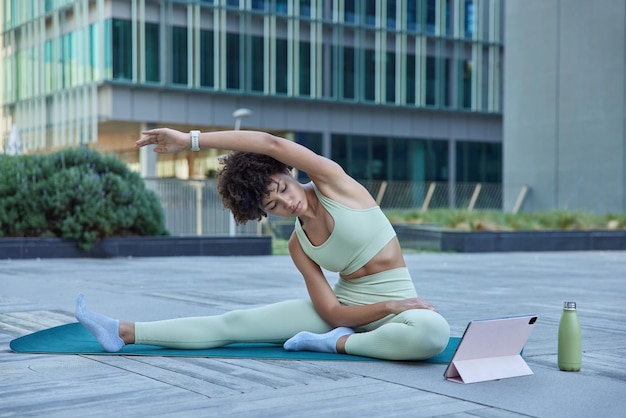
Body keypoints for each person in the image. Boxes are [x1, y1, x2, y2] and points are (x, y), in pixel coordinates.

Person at [75, 128, 450, 361]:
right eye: (273, 205)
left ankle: (335, 345)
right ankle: (122, 331)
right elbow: (334, 313)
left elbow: (267, 142)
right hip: (348, 314)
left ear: (288, 172)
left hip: (401, 311)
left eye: (283, 189)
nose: (288, 202)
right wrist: (377, 310)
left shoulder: (334, 183)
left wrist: (190, 141)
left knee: (432, 333)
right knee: (233, 324)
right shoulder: (298, 246)